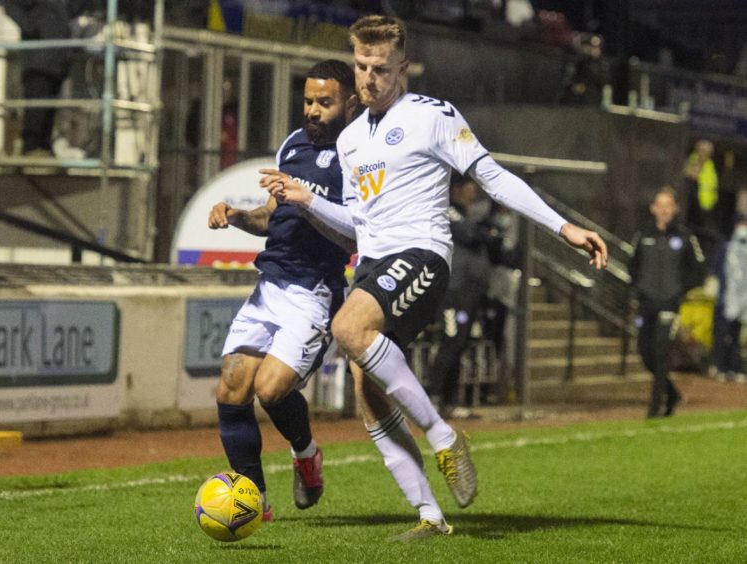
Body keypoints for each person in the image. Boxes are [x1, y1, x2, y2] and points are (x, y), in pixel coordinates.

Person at [260, 14, 608, 540]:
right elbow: (357, 225)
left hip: (422, 254)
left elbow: (491, 176)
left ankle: (445, 437)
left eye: (380, 68)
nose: (368, 77)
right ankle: (428, 514)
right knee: (366, 390)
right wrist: (308, 200)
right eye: (361, 65)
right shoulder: (352, 140)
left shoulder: (432, 115)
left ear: (403, 68)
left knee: (348, 329)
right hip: (376, 266)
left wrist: (563, 227)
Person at [206, 59, 359, 521]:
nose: (313, 110)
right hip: (270, 284)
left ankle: (307, 454)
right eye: (309, 100)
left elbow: (356, 236)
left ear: (349, 103)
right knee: (232, 388)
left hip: (314, 291)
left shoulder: (360, 157)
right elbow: (271, 215)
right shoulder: (294, 145)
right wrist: (236, 214)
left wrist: (306, 200)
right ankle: (254, 503)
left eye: (325, 102)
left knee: (271, 390)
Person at [629, 186, 705, 418]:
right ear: (653, 208)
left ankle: (654, 409)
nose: (663, 210)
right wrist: (639, 289)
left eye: (668, 205)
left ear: (675, 208)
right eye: (659, 205)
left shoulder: (684, 236)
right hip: (647, 304)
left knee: (662, 353)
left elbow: (698, 269)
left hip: (669, 305)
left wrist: (679, 292)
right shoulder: (643, 235)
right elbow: (633, 266)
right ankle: (672, 393)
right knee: (645, 353)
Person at [427, 173, 496, 417]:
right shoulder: (446, 210)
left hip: (468, 291)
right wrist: (485, 232)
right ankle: (433, 398)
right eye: (469, 187)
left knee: (459, 343)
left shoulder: (467, 214)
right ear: (455, 189)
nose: (473, 192)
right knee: (450, 341)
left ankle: (450, 401)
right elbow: (469, 235)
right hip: (451, 291)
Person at [4, 0, 72, 156]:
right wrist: (31, 27)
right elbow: (10, 5)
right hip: (39, 62)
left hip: (56, 62)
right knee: (36, 109)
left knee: (47, 111)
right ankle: (32, 148)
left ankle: (42, 147)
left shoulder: (57, 6)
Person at [711, 214, 747, 383]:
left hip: (742, 302)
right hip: (725, 300)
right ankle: (720, 366)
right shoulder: (725, 247)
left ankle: (735, 367)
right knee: (721, 334)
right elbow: (717, 272)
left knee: (735, 336)